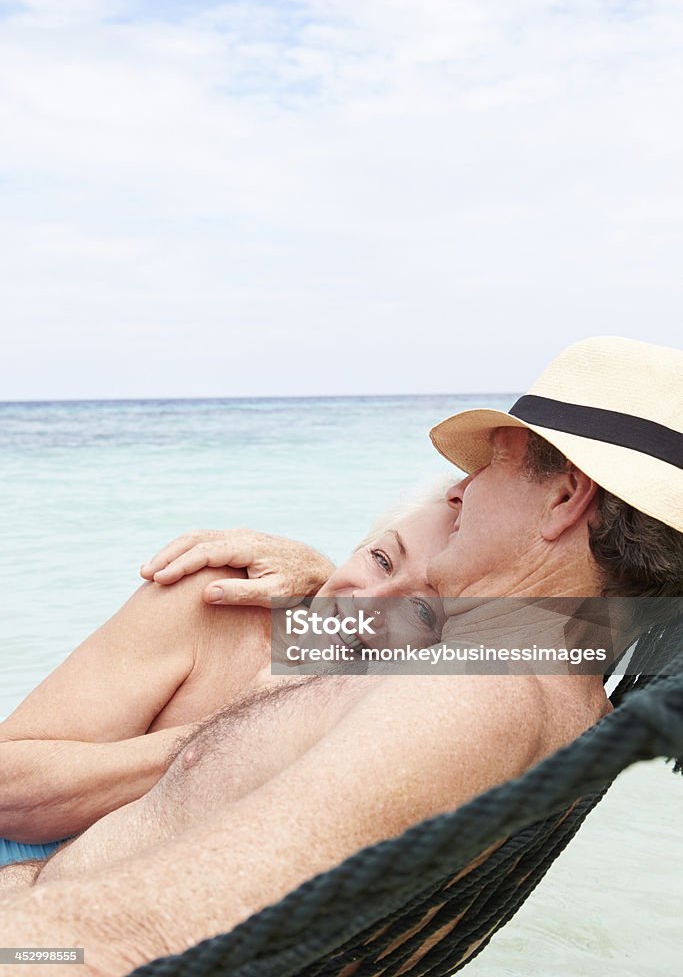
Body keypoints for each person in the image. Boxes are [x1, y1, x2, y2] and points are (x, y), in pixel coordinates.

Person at [0, 335, 681, 977]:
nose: (457, 491)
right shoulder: (556, 688)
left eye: (491, 465)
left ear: (564, 497)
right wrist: (333, 585)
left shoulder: (473, 694)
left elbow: (120, 943)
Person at [0, 484, 453, 864]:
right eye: (381, 558)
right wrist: (245, 727)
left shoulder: (403, 739)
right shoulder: (217, 602)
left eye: (421, 609)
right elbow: (9, 792)